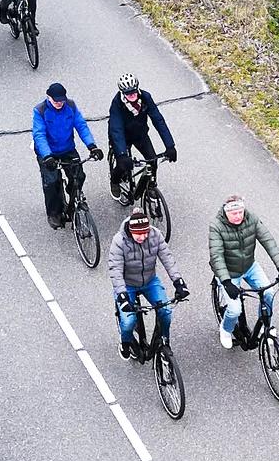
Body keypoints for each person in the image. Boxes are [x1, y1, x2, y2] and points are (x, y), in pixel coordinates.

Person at [207, 194, 279, 350]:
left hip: (250, 266)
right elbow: (216, 256)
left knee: (268, 293)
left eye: (240, 212)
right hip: (228, 272)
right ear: (226, 212)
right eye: (234, 213)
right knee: (234, 309)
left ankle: (267, 326)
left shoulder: (251, 218)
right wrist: (226, 282)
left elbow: (268, 241)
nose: (238, 216)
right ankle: (225, 330)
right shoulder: (216, 226)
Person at [107, 206, 186, 361]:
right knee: (129, 321)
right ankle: (125, 343)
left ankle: (164, 342)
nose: (142, 237)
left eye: (145, 232)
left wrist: (178, 281)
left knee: (166, 312)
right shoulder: (119, 241)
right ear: (131, 230)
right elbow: (115, 269)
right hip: (127, 285)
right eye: (138, 234)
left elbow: (167, 258)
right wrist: (122, 295)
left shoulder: (155, 235)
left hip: (150, 281)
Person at [32, 82, 101, 229]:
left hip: (67, 149)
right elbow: (39, 135)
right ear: (48, 97)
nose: (59, 103)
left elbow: (81, 126)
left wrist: (92, 146)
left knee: (79, 176)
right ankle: (54, 213)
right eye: (56, 100)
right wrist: (47, 156)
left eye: (61, 100)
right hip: (48, 153)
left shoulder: (70, 106)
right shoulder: (40, 111)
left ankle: (73, 195)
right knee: (51, 182)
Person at [106, 72, 178, 201]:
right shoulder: (117, 103)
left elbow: (158, 120)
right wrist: (122, 154)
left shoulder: (145, 97)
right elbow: (116, 129)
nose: (132, 95)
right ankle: (114, 181)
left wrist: (170, 145)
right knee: (123, 165)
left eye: (133, 91)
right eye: (128, 93)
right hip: (122, 136)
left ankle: (150, 186)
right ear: (122, 92)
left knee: (152, 160)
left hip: (140, 134)